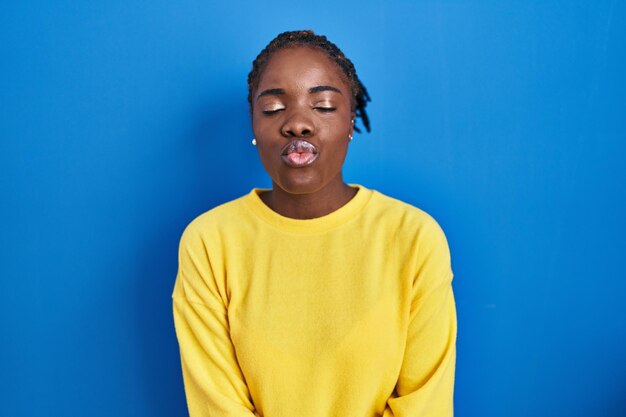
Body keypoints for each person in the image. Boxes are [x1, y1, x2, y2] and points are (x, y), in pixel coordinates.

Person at [171, 30, 457, 417]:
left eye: (322, 105)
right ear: (253, 125)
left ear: (351, 120)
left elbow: (425, 405)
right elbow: (218, 406)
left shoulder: (413, 237)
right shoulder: (208, 243)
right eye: (273, 108)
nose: (298, 124)